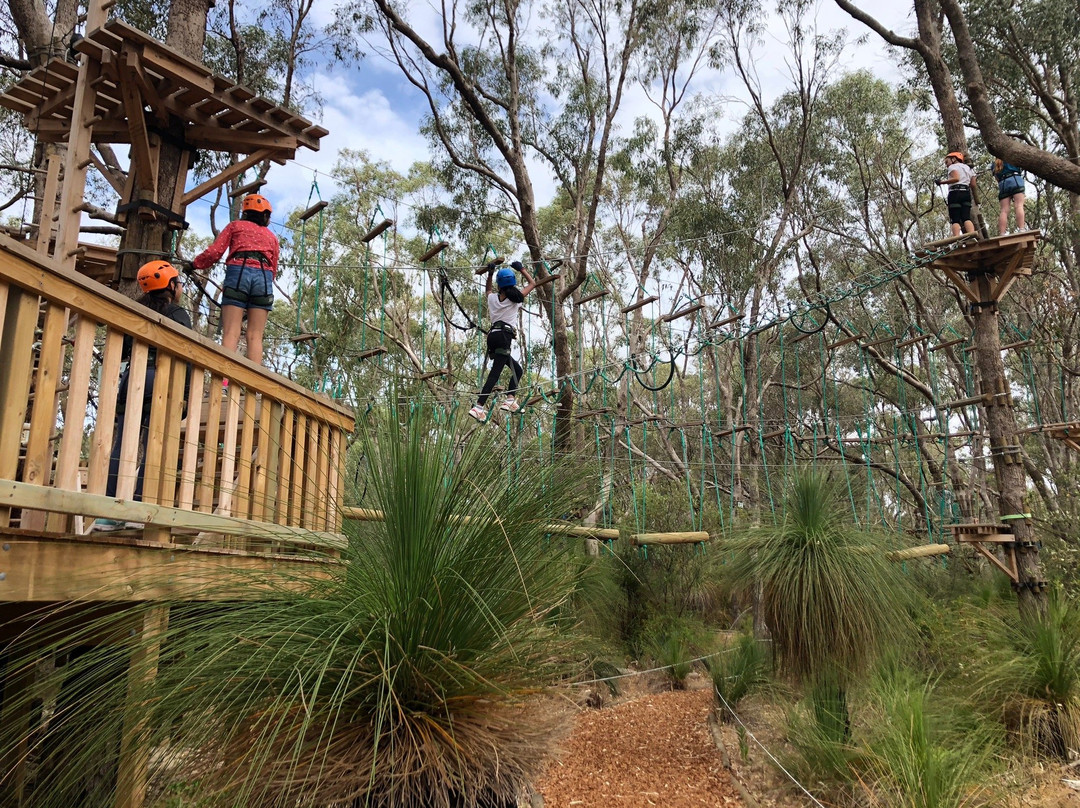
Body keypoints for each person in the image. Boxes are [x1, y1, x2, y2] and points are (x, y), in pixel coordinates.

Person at [93, 261, 191, 531]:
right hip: (162, 382)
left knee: (122, 445)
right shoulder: (177, 314)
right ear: (171, 286)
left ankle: (108, 513)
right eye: (178, 282)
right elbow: (189, 354)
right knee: (154, 445)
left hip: (132, 379)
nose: (180, 287)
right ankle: (138, 508)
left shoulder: (135, 310)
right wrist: (185, 394)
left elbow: (123, 346)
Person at [192, 193, 279, 365]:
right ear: (264, 215)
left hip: (238, 273)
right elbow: (273, 268)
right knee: (255, 336)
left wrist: (195, 264)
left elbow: (215, 252)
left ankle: (224, 382)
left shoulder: (235, 226)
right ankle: (254, 389)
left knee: (231, 332)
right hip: (264, 279)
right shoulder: (272, 237)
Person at [468, 260, 543, 421]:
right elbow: (533, 283)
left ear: (499, 285)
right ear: (513, 283)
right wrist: (521, 268)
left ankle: (510, 399)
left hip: (493, 337)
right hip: (504, 337)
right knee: (495, 373)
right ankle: (479, 406)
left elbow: (488, 289)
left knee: (517, 370)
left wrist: (489, 273)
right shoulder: (516, 299)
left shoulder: (493, 298)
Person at [935, 151, 977, 237]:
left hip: (955, 193)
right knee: (966, 217)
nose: (946, 165)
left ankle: (957, 239)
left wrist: (941, 182)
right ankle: (972, 236)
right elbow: (973, 184)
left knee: (955, 219)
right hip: (966, 192)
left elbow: (956, 178)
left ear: (953, 159)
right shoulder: (968, 168)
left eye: (947, 162)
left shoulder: (952, 167)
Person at [993, 157, 1026, 233]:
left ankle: (1002, 233)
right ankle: (1021, 229)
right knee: (1019, 205)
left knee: (1004, 210)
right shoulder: (1013, 158)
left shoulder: (995, 164)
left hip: (1003, 183)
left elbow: (996, 178)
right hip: (1015, 180)